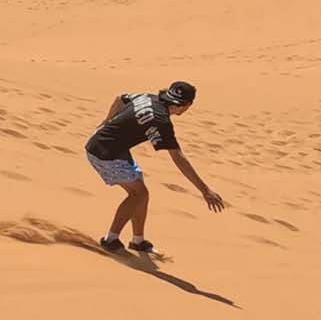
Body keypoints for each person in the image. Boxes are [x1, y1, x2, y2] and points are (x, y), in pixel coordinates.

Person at [84, 81, 225, 254]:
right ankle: (110, 239)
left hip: (109, 146)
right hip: (104, 154)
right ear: (186, 105)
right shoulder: (161, 121)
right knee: (138, 195)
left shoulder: (148, 98)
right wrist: (205, 190)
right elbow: (178, 158)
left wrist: (106, 121)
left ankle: (138, 241)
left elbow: (120, 98)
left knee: (141, 194)